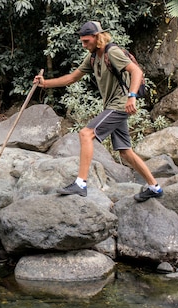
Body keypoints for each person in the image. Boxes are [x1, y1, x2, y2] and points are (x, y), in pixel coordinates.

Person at [33, 20, 163, 202]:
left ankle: (80, 184)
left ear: (97, 37)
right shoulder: (93, 56)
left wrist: (132, 96)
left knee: (86, 134)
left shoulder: (113, 52)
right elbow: (72, 78)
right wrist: (45, 83)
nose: (84, 45)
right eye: (82, 42)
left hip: (119, 105)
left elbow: (137, 72)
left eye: (86, 41)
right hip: (112, 106)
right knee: (125, 151)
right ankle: (154, 187)